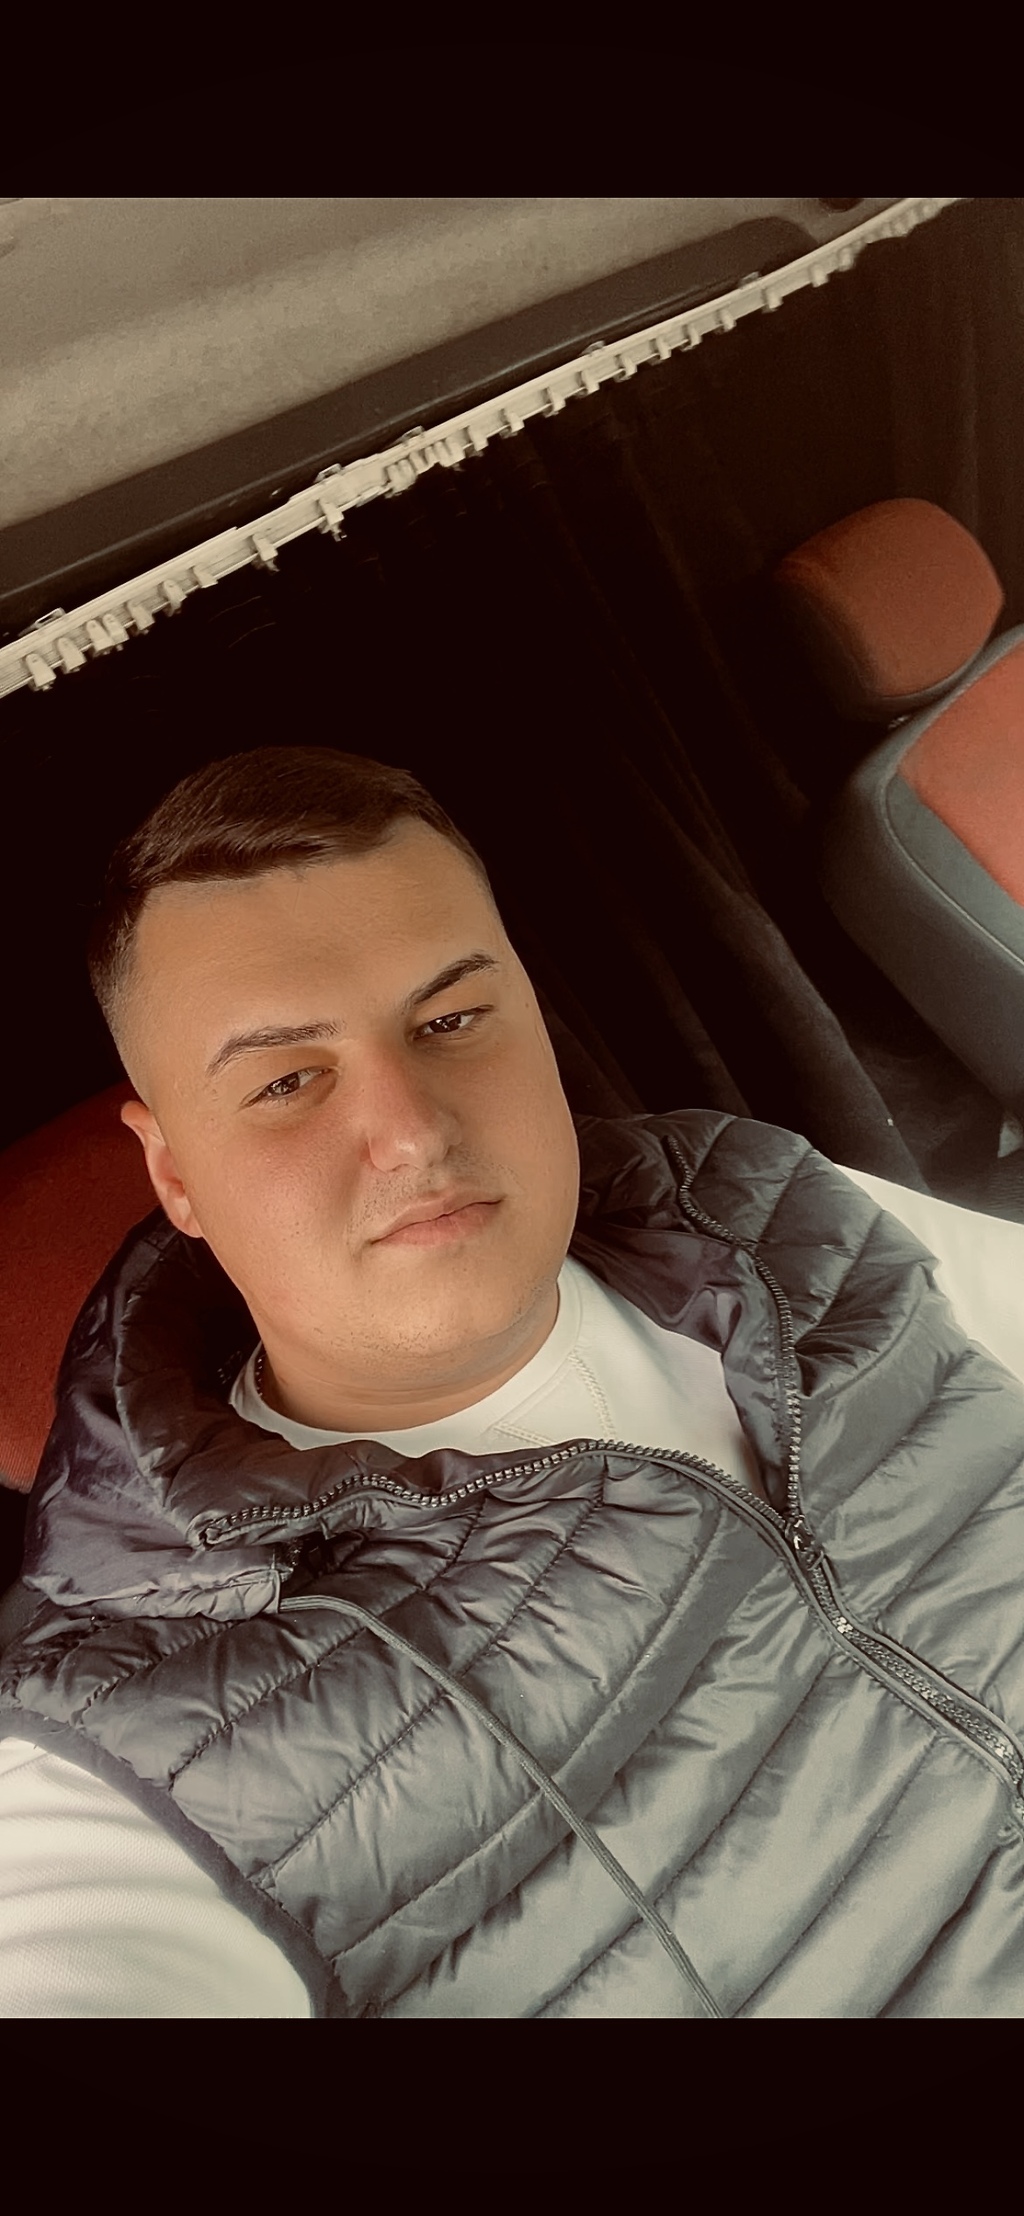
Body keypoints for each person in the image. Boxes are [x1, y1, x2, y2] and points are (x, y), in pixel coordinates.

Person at [3, 742, 1024, 2020]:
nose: (412, 1130)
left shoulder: (765, 1210)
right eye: (286, 1080)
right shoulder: (129, 1736)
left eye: (449, 1022)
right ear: (174, 1176)